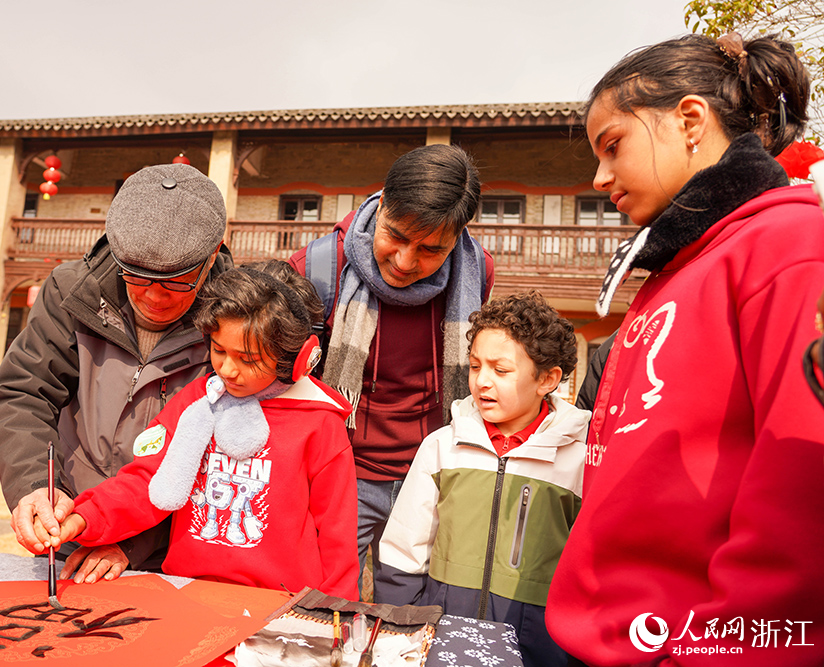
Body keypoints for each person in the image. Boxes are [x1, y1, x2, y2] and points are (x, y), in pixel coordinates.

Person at [545, 33, 824, 665]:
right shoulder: (676, 269)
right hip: (612, 639)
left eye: (613, 145)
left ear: (690, 120)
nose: (600, 177)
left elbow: (803, 494)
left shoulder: (790, 245)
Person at [25, 262, 360, 599]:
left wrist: (337, 609)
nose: (227, 370)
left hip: (279, 602)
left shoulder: (321, 424)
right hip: (185, 591)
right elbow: (144, 482)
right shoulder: (195, 401)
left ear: (294, 360)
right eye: (219, 351)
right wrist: (83, 518)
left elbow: (337, 532)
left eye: (248, 359)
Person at [0, 163, 233, 584]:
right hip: (73, 518)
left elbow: (228, 458)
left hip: (176, 543)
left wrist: (133, 541)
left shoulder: (239, 317)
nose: (154, 296)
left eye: (176, 281)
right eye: (137, 276)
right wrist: (35, 485)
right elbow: (22, 393)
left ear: (211, 257)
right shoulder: (71, 291)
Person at [288, 143, 494, 601]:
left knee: (412, 612)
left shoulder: (476, 272)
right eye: (396, 236)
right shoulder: (317, 269)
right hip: (339, 475)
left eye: (430, 249)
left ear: (458, 237)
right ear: (382, 204)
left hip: (432, 476)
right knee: (320, 604)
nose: (404, 261)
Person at [377, 291, 587, 667]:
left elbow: (590, 565)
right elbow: (403, 551)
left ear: (547, 379)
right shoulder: (442, 447)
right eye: (475, 366)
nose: (482, 381)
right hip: (441, 637)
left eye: (500, 370)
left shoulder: (578, 461)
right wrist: (401, 630)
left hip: (538, 647)